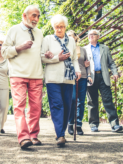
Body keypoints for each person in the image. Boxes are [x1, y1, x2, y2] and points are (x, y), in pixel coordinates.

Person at [2, 5, 53, 149]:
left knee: (36, 108)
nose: (36, 19)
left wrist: (47, 55)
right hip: (18, 75)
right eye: (33, 16)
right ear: (24, 16)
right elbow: (4, 52)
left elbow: (40, 54)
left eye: (38, 16)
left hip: (36, 75)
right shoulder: (14, 30)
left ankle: (33, 135)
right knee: (19, 107)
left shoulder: (40, 33)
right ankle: (23, 137)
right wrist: (19, 47)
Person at [41, 14, 81, 147]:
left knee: (67, 106)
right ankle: (60, 135)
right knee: (57, 105)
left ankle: (61, 132)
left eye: (62, 27)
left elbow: (74, 58)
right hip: (52, 78)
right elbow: (42, 58)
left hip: (68, 78)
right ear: (53, 27)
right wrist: (57, 58)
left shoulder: (71, 41)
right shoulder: (48, 39)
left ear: (65, 27)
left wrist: (78, 70)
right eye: (57, 27)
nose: (59, 29)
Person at [84, 29, 123, 132]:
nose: (90, 36)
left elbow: (111, 63)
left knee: (108, 100)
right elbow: (81, 64)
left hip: (103, 76)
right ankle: (93, 125)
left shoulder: (105, 48)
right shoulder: (84, 49)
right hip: (90, 77)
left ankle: (115, 124)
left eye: (93, 34)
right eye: (89, 35)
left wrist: (115, 72)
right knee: (92, 102)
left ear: (98, 36)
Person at [66, 30, 90, 135]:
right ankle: (70, 123)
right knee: (72, 100)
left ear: (76, 37)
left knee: (81, 101)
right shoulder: (65, 48)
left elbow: (87, 64)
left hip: (83, 77)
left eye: (71, 35)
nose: (69, 37)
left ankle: (79, 124)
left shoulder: (83, 50)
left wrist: (89, 75)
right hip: (70, 78)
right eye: (67, 36)